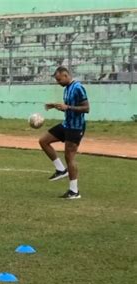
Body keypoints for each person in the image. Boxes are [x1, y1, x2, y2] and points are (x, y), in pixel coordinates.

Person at [39, 66, 90, 199]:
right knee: (43, 141)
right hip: (66, 124)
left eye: (59, 79)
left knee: (69, 156)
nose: (58, 82)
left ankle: (74, 191)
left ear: (66, 75)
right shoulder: (67, 88)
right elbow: (68, 108)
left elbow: (86, 108)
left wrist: (68, 107)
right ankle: (61, 169)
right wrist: (56, 106)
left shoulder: (78, 87)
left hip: (76, 127)